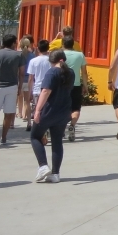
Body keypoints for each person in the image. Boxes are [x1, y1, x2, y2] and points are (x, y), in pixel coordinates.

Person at [30, 50, 74, 183]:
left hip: (49, 111)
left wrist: (37, 110)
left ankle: (43, 166)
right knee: (57, 141)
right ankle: (55, 173)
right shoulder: (70, 73)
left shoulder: (52, 72)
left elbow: (45, 91)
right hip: (63, 111)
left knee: (35, 136)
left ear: (51, 61)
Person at [0, 34, 23, 145]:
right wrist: (20, 87)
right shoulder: (18, 55)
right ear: (13, 43)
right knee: (8, 113)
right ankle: (4, 137)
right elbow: (21, 73)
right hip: (12, 86)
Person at [62, 37, 88, 142]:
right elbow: (84, 72)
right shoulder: (80, 55)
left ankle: (61, 128)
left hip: (62, 85)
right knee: (76, 108)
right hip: (76, 85)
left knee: (62, 108)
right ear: (73, 44)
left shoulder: (60, 55)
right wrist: (85, 85)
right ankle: (72, 125)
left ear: (63, 43)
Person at [25, 40, 52, 132]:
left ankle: (38, 128)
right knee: (48, 110)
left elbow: (30, 78)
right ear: (48, 49)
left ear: (38, 49)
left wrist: (30, 91)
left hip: (37, 88)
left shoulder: (33, 61)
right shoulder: (51, 61)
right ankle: (46, 128)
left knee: (38, 109)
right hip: (49, 88)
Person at [17, 36, 34, 124]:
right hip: (28, 79)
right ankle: (25, 116)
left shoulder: (17, 54)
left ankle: (19, 113)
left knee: (19, 97)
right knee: (27, 100)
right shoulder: (32, 55)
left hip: (18, 79)